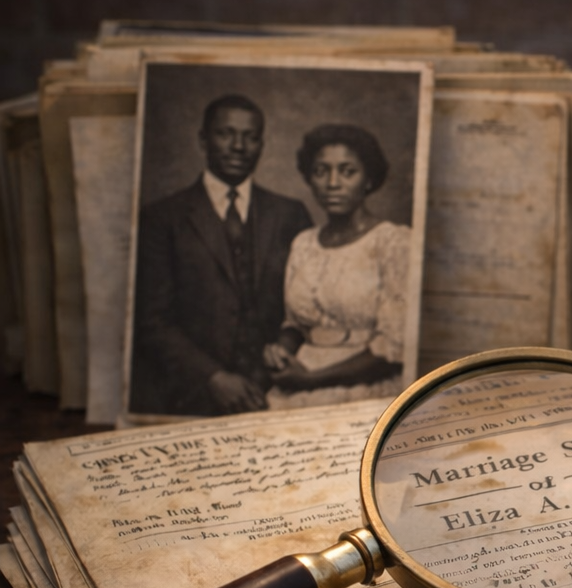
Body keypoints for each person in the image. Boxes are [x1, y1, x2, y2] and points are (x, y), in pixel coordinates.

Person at [130, 94, 313, 416]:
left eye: (250, 136)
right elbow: (152, 321)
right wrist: (212, 377)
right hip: (189, 395)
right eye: (225, 134)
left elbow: (311, 304)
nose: (238, 146)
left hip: (277, 392)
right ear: (203, 139)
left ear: (262, 144)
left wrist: (283, 353)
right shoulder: (161, 218)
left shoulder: (290, 214)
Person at [263, 123, 409, 408]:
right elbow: (295, 324)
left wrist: (310, 380)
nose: (332, 183)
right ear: (309, 178)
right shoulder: (304, 243)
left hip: (362, 387)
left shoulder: (395, 243)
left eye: (347, 171)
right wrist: (281, 350)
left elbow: (393, 348)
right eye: (320, 171)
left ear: (368, 179)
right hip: (298, 380)